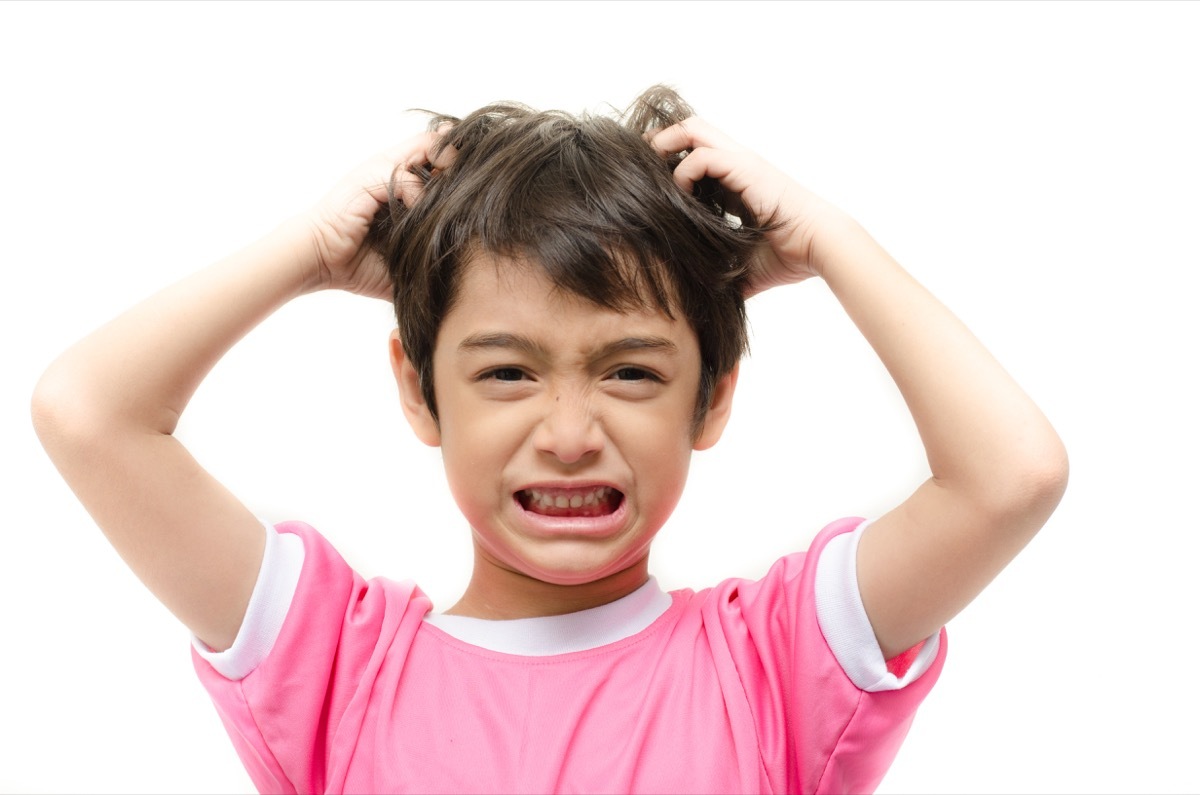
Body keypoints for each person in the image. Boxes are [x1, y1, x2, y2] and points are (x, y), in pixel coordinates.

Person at [31, 86, 1068, 793]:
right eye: (505, 372)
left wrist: (831, 241)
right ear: (418, 390)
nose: (569, 435)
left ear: (711, 400)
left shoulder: (776, 665)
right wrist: (306, 252)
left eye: (630, 372)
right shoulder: (335, 667)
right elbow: (88, 413)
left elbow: (1010, 477)